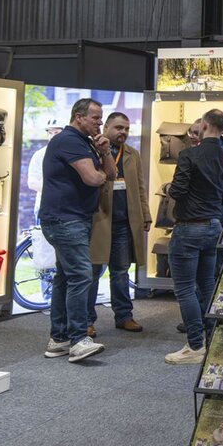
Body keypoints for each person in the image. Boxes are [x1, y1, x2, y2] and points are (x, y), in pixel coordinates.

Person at [39, 98, 116, 363]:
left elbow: (111, 174)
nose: (100, 123)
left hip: (72, 218)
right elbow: (94, 178)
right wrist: (101, 173)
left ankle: (58, 339)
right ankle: (78, 339)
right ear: (79, 117)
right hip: (65, 219)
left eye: (101, 118)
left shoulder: (87, 143)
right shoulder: (69, 140)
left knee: (65, 277)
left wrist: (105, 152)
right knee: (82, 276)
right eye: (95, 118)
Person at [165, 109, 223, 365]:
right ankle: (211, 342)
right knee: (207, 285)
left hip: (188, 228)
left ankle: (195, 346)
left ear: (205, 125)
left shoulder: (189, 155)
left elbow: (179, 190)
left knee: (185, 289)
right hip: (214, 226)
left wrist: (169, 189)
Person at [86, 113, 150, 338]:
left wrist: (146, 214)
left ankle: (124, 316)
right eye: (118, 128)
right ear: (106, 127)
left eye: (126, 129)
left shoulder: (133, 154)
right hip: (99, 220)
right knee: (93, 272)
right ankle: (87, 321)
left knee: (121, 272)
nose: (123, 132)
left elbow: (140, 187)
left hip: (124, 223)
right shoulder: (91, 149)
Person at [27, 118, 63, 217]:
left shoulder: (70, 153)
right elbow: (32, 183)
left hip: (67, 209)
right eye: (50, 133)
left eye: (56, 132)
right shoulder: (40, 155)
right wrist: (57, 191)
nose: (52, 136)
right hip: (45, 207)